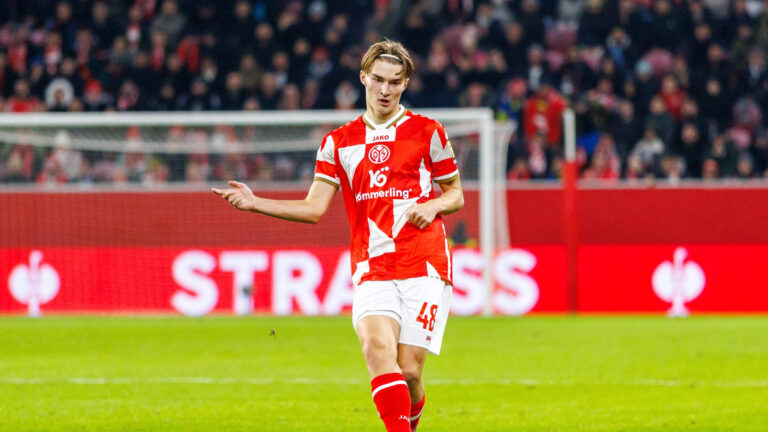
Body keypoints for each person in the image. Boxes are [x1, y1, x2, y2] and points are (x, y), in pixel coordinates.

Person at [212, 40, 463, 432]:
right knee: (376, 349)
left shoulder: (428, 131)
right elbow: (314, 209)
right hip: (371, 266)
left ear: (405, 84)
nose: (385, 90)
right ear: (363, 78)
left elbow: (455, 194)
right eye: (378, 80)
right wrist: (255, 202)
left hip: (424, 262)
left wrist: (431, 206)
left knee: (410, 371)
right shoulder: (338, 142)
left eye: (394, 82)